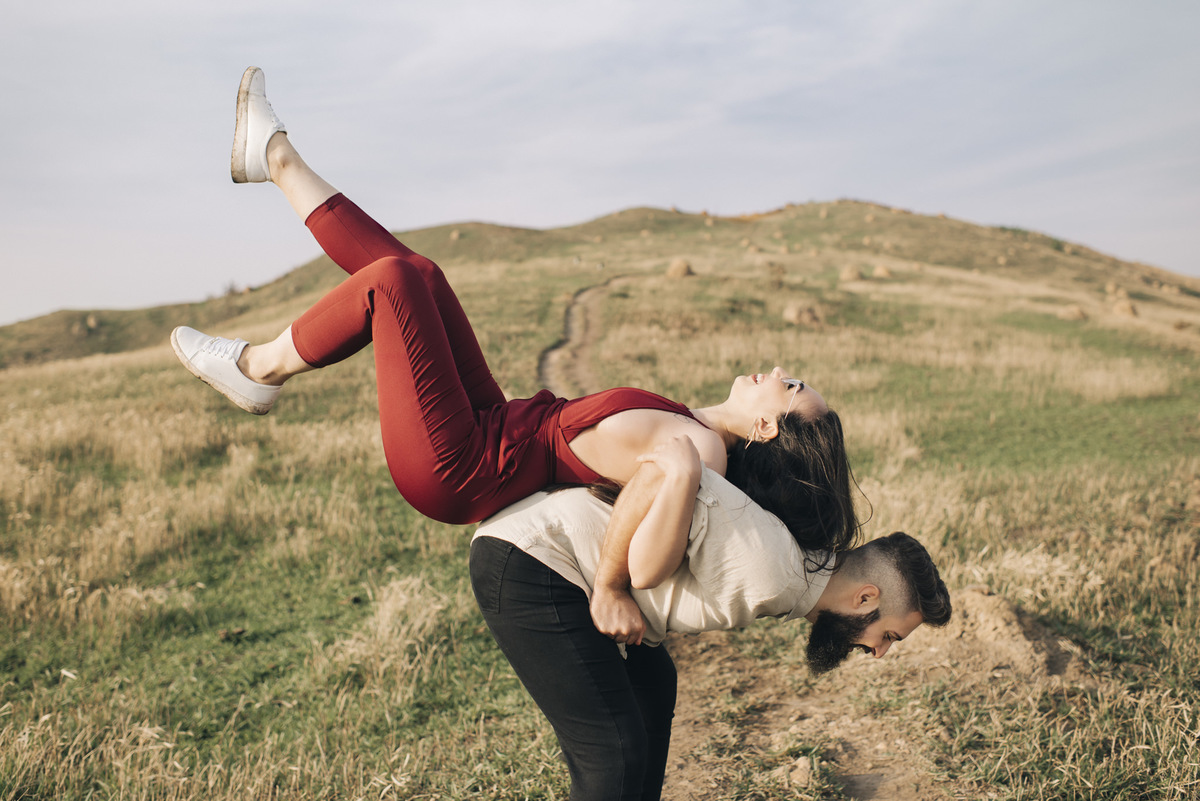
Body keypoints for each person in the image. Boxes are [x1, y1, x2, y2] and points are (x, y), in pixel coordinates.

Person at [172, 67, 862, 625]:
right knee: (422, 276)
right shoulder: (696, 427)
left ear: (768, 428)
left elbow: (650, 566)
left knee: (393, 286)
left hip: (460, 464)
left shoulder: (702, 453)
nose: (780, 370)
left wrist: (641, 543)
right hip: (494, 424)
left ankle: (259, 367)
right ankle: (276, 158)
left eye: (792, 386)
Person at [470, 435, 952, 800]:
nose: (879, 652)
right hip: (533, 561)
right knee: (615, 751)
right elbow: (664, 471)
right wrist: (611, 586)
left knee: (655, 687)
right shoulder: (770, 568)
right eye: (889, 636)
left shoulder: (794, 569)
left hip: (548, 562)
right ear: (865, 598)